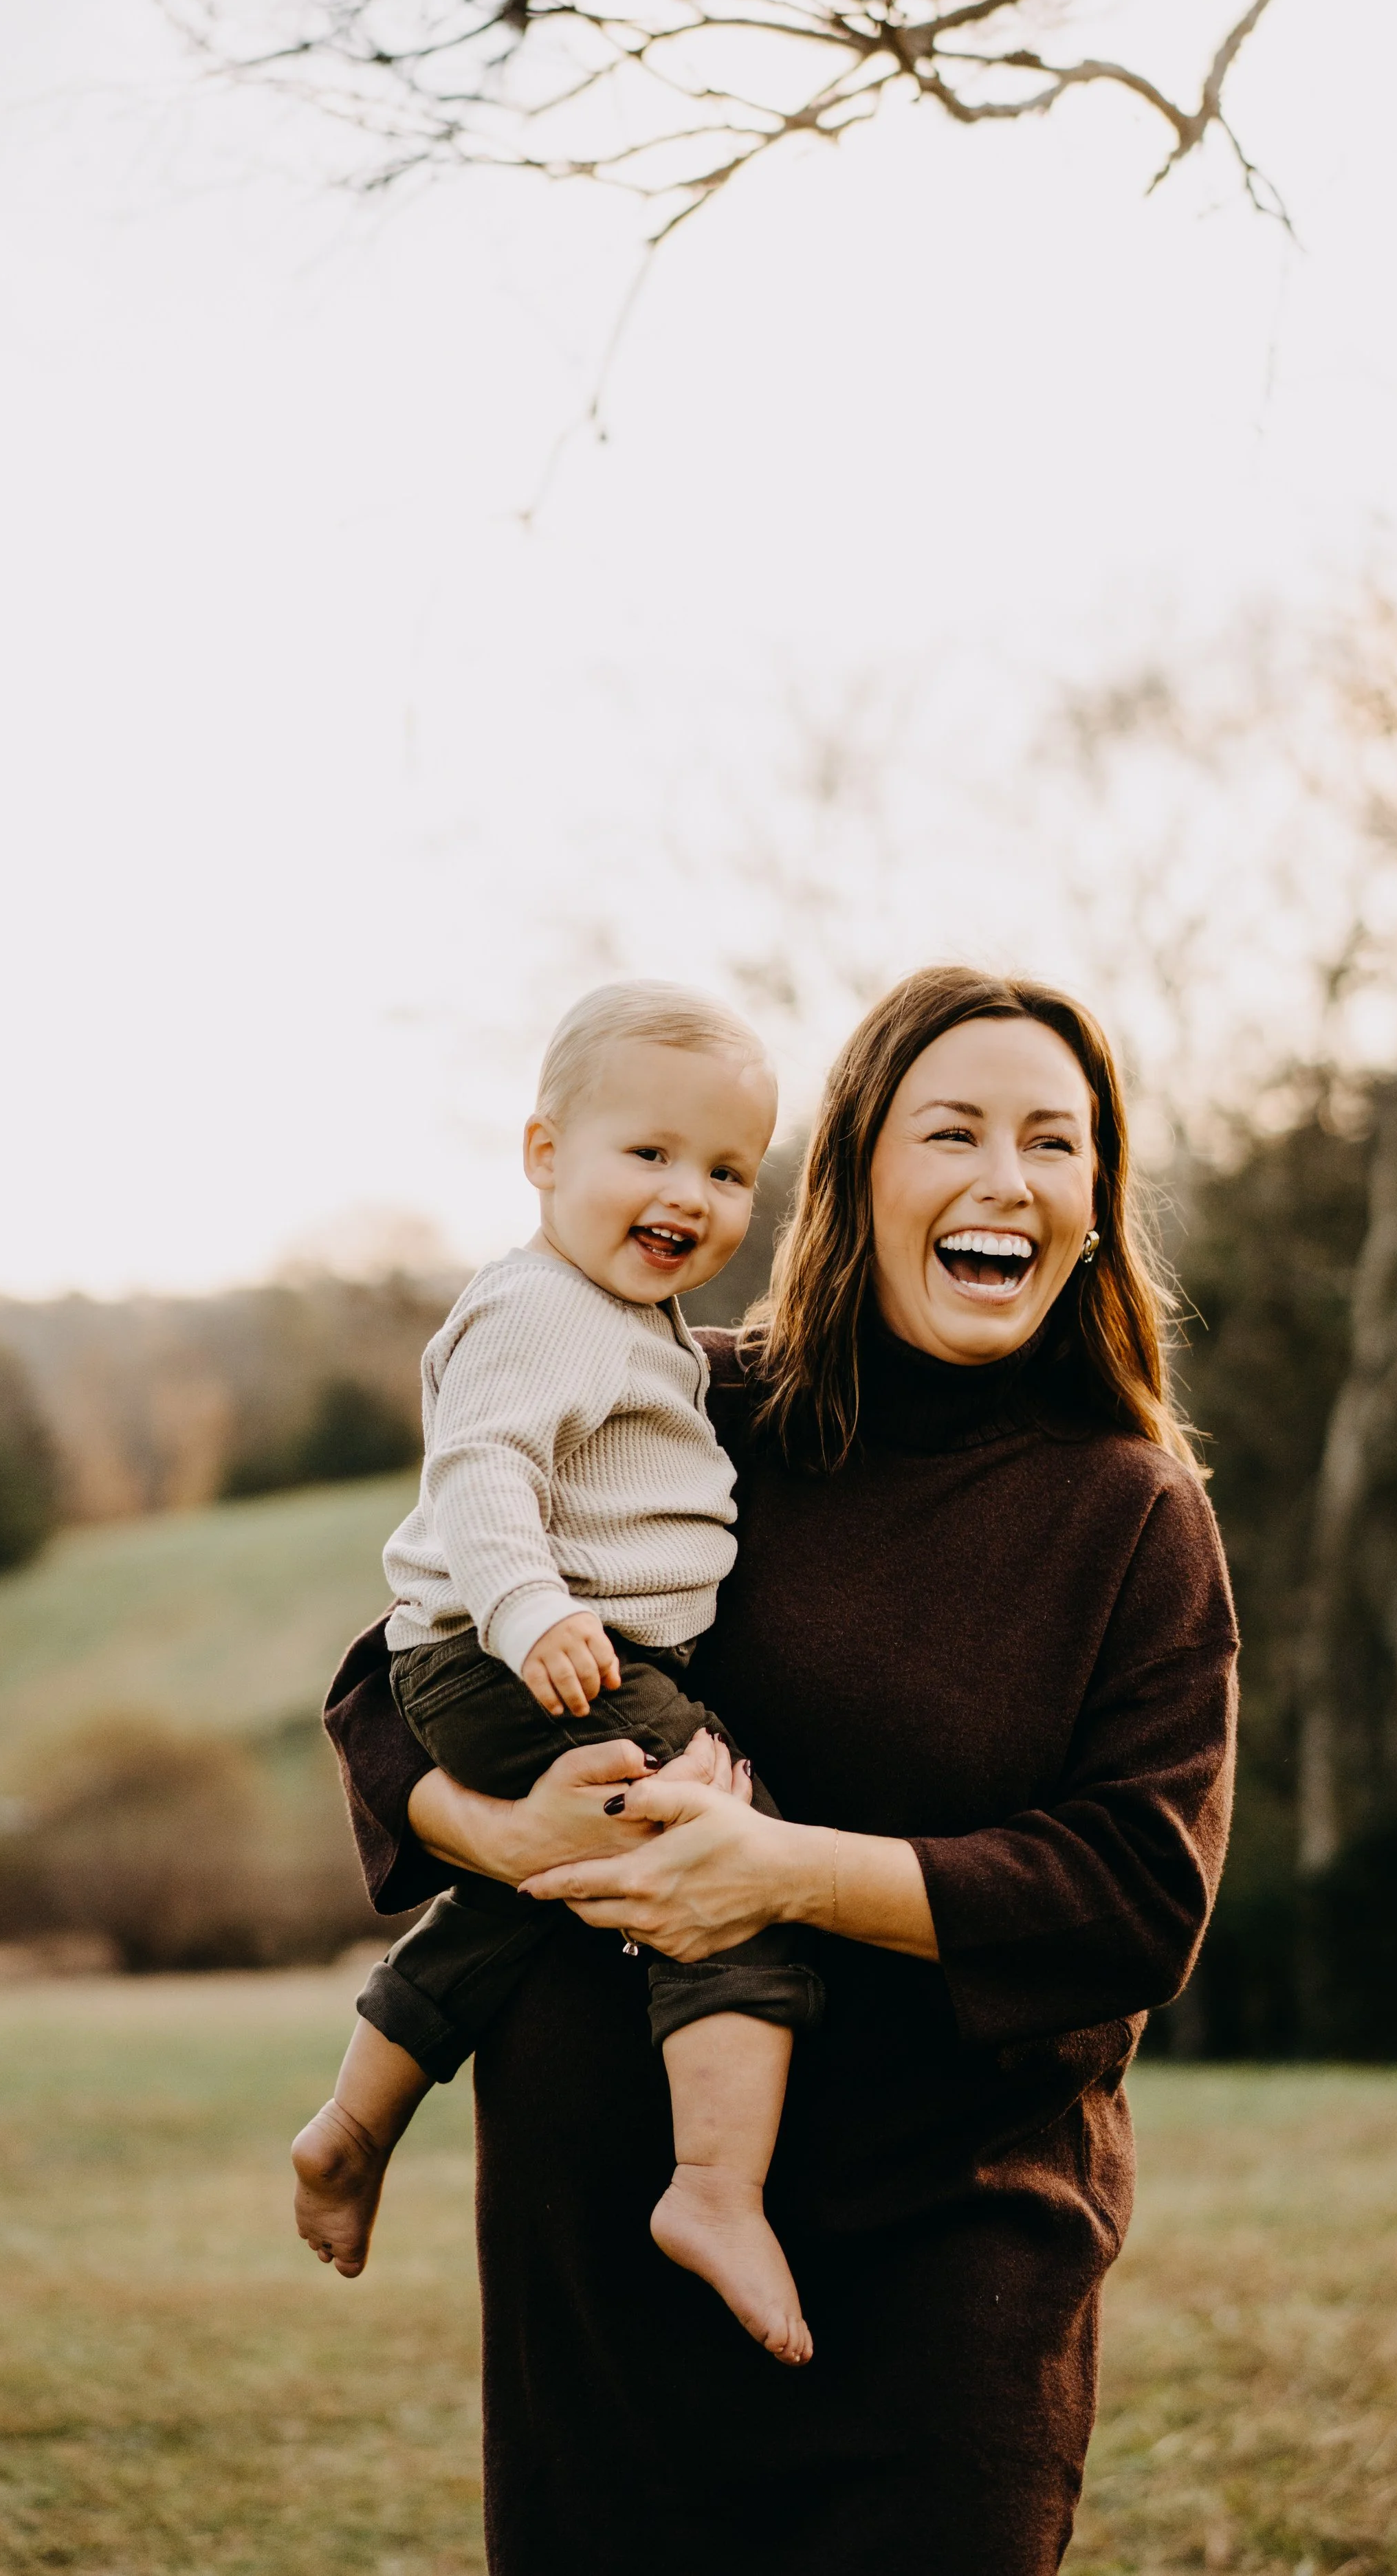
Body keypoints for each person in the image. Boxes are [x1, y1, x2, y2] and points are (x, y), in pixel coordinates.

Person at [322, 965, 1239, 2576]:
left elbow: (1134, 1899)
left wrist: (782, 1871)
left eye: (1054, 1142)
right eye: (950, 1131)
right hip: (601, 2259)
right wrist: (505, 1830)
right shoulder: (691, 1400)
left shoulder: (1128, 1518)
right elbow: (392, 1672)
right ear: (860, 1177)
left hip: (946, 2266)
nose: (1003, 1180)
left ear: (1096, 1201)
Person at [293, 981, 824, 2362]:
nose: (687, 1194)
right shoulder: (539, 1309)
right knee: (725, 1859)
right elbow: (481, 1473)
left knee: (529, 1893)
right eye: (645, 1154)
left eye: (721, 1170)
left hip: (528, 1657)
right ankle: (713, 2190)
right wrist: (531, 1614)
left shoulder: (630, 1322)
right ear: (543, 1155)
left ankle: (351, 2123)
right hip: (517, 1650)